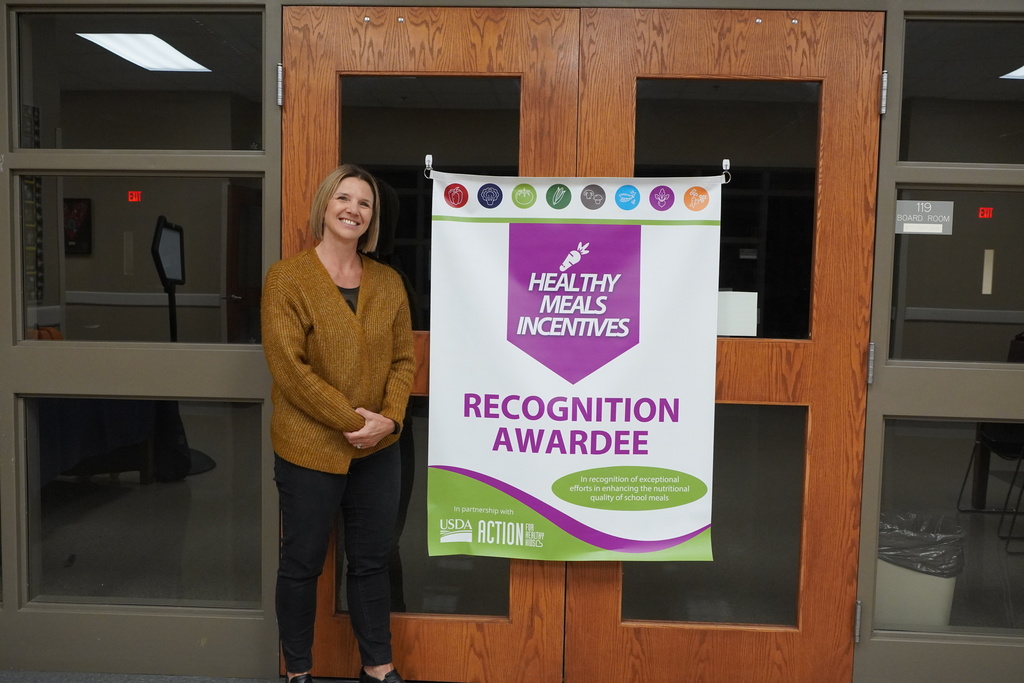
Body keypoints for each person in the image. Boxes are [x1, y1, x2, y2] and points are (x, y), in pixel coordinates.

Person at [261, 164, 416, 683]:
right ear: (325, 207)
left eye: (364, 203)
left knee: (372, 560)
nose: (353, 209)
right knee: (303, 562)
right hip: (309, 446)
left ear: (373, 219)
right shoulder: (287, 278)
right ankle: (297, 671)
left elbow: (402, 360)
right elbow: (289, 368)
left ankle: (378, 667)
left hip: (378, 449)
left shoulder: (390, 282)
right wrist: (356, 421)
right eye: (343, 199)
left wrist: (389, 421)